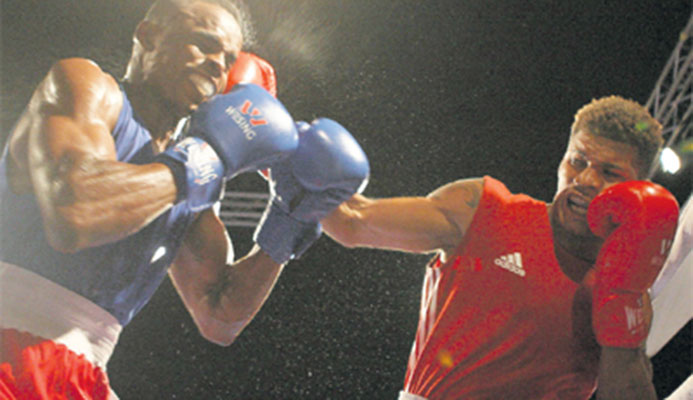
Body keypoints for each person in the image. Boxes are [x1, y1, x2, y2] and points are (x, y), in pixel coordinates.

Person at [0, 0, 369, 398]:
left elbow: (219, 317)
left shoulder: (193, 180)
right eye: (203, 44)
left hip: (82, 370)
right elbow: (75, 211)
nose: (217, 64)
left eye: (228, 58)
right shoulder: (87, 86)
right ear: (148, 36)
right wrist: (203, 160)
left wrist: (288, 222)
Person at [322, 95, 680, 400]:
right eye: (578, 161)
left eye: (609, 173)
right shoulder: (485, 209)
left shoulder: (626, 287)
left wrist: (624, 309)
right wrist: (290, 159)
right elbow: (354, 222)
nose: (586, 179)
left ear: (636, 189)